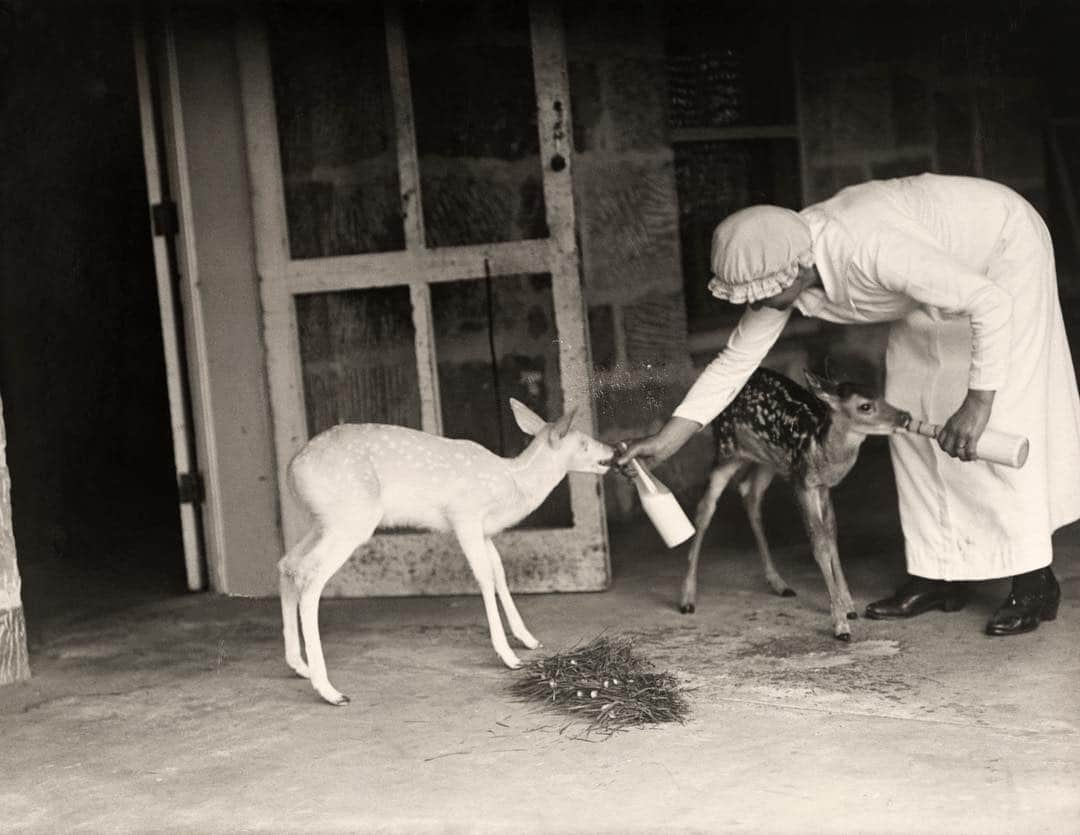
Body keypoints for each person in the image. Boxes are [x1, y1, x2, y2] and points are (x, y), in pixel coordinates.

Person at [616, 173, 1080, 636]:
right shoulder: (780, 269)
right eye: (748, 295)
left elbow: (990, 303)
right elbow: (736, 359)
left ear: (795, 268)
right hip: (934, 272)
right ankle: (939, 574)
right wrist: (669, 438)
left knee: (998, 411)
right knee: (905, 411)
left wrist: (979, 403)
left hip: (999, 251)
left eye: (761, 292)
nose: (754, 303)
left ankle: (1034, 581)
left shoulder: (869, 248)